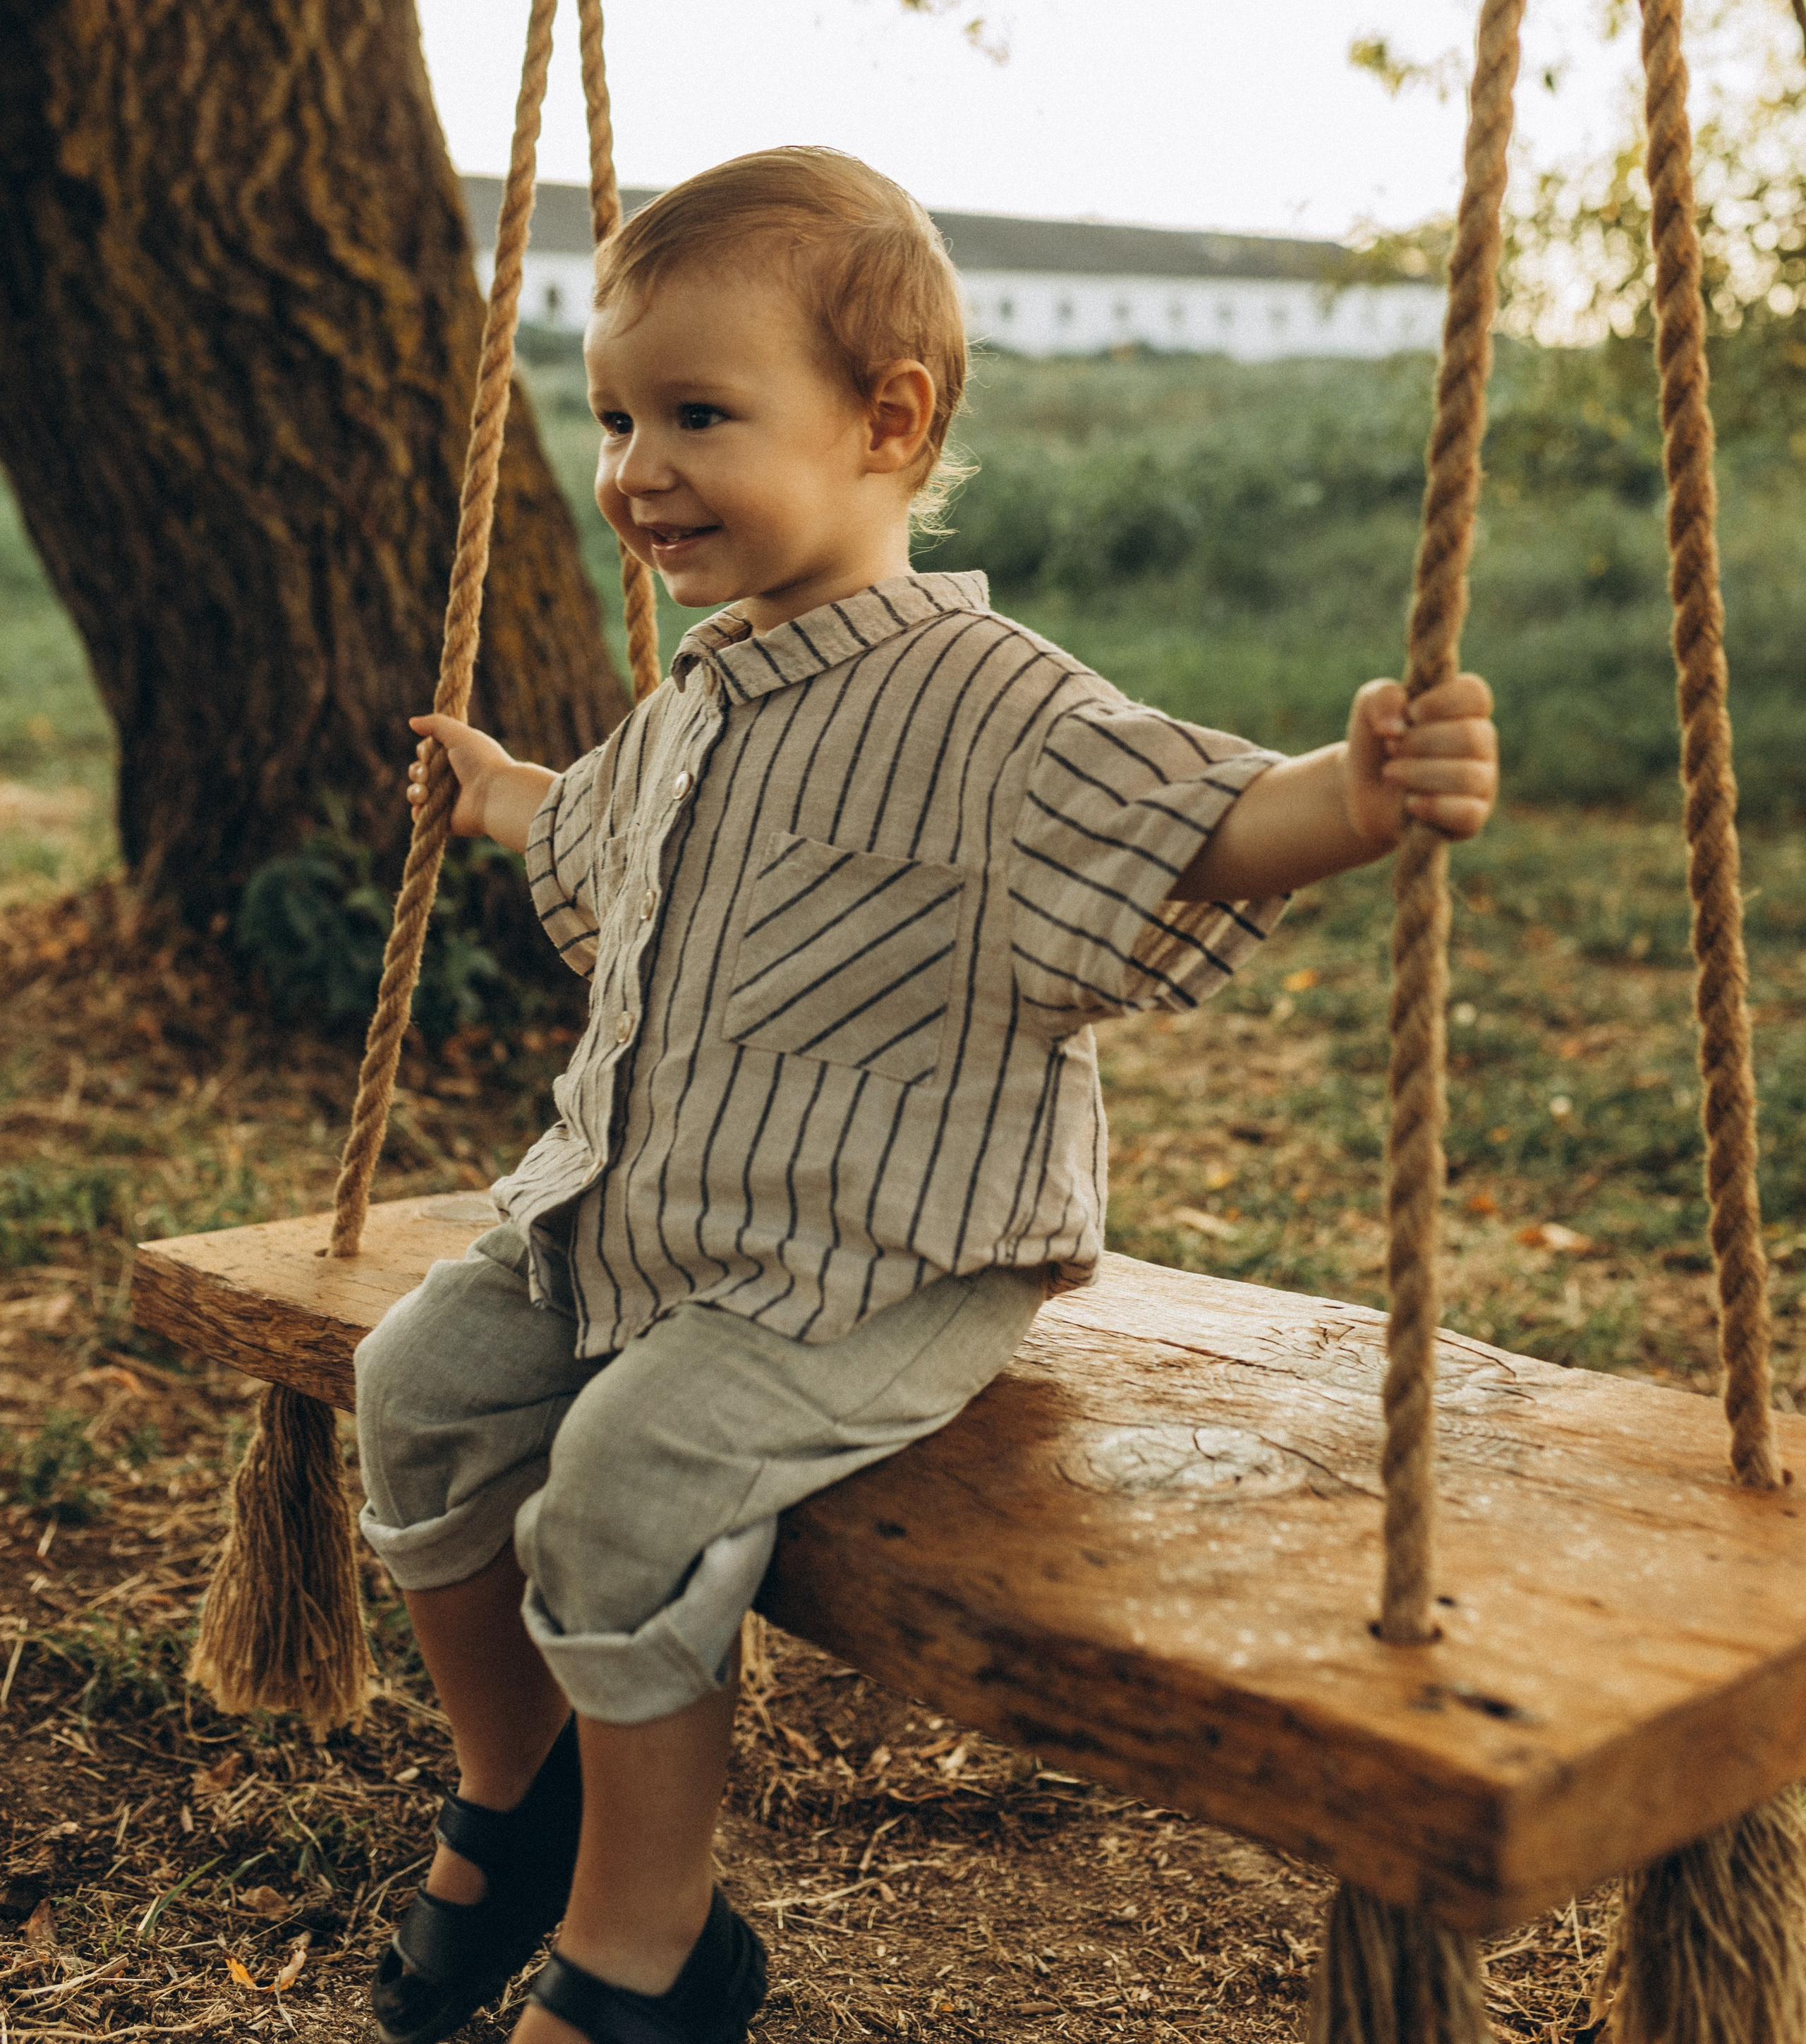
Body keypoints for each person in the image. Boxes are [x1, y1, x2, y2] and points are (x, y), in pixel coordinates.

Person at [355, 147, 1498, 2044]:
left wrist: (1355, 797)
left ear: (888, 422)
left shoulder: (996, 707)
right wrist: (497, 793)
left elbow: (1201, 826)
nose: (636, 465)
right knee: (416, 1391)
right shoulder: (708, 690)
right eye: (620, 412)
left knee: (623, 1490)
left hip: (888, 1253)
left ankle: (649, 1946)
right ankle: (518, 1786)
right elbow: (618, 832)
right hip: (648, 1208)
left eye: (698, 415)